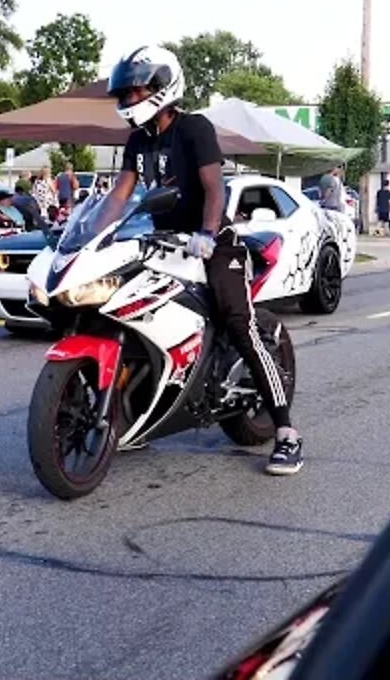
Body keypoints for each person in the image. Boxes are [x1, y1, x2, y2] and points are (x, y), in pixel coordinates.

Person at [100, 45, 302, 476]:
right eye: (123, 95)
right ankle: (135, 415)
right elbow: (120, 194)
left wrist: (208, 235)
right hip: (163, 241)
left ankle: (286, 432)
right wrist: (90, 235)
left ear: (160, 88)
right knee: (129, 313)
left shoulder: (194, 129)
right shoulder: (137, 140)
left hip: (214, 243)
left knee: (237, 321)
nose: (125, 102)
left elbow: (215, 189)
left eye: (132, 93)